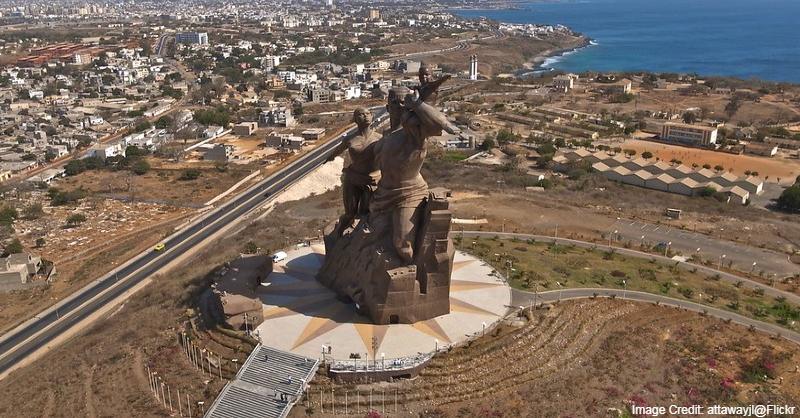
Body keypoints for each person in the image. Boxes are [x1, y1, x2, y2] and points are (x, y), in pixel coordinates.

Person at [371, 93, 459, 264]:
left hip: (409, 193)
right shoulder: (385, 135)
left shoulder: (414, 131)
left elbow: (443, 125)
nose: (400, 105)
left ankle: (411, 278)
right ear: (388, 107)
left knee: (402, 243)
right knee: (373, 235)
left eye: (404, 102)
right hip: (383, 194)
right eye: (395, 101)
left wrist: (418, 104)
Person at [333, 107, 381, 236]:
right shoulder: (349, 139)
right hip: (353, 179)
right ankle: (338, 237)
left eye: (367, 114)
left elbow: (391, 157)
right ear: (355, 119)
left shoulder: (380, 138)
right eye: (360, 114)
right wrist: (328, 158)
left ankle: (361, 240)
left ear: (372, 116)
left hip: (372, 181)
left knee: (366, 213)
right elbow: (336, 151)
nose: (365, 116)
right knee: (350, 213)